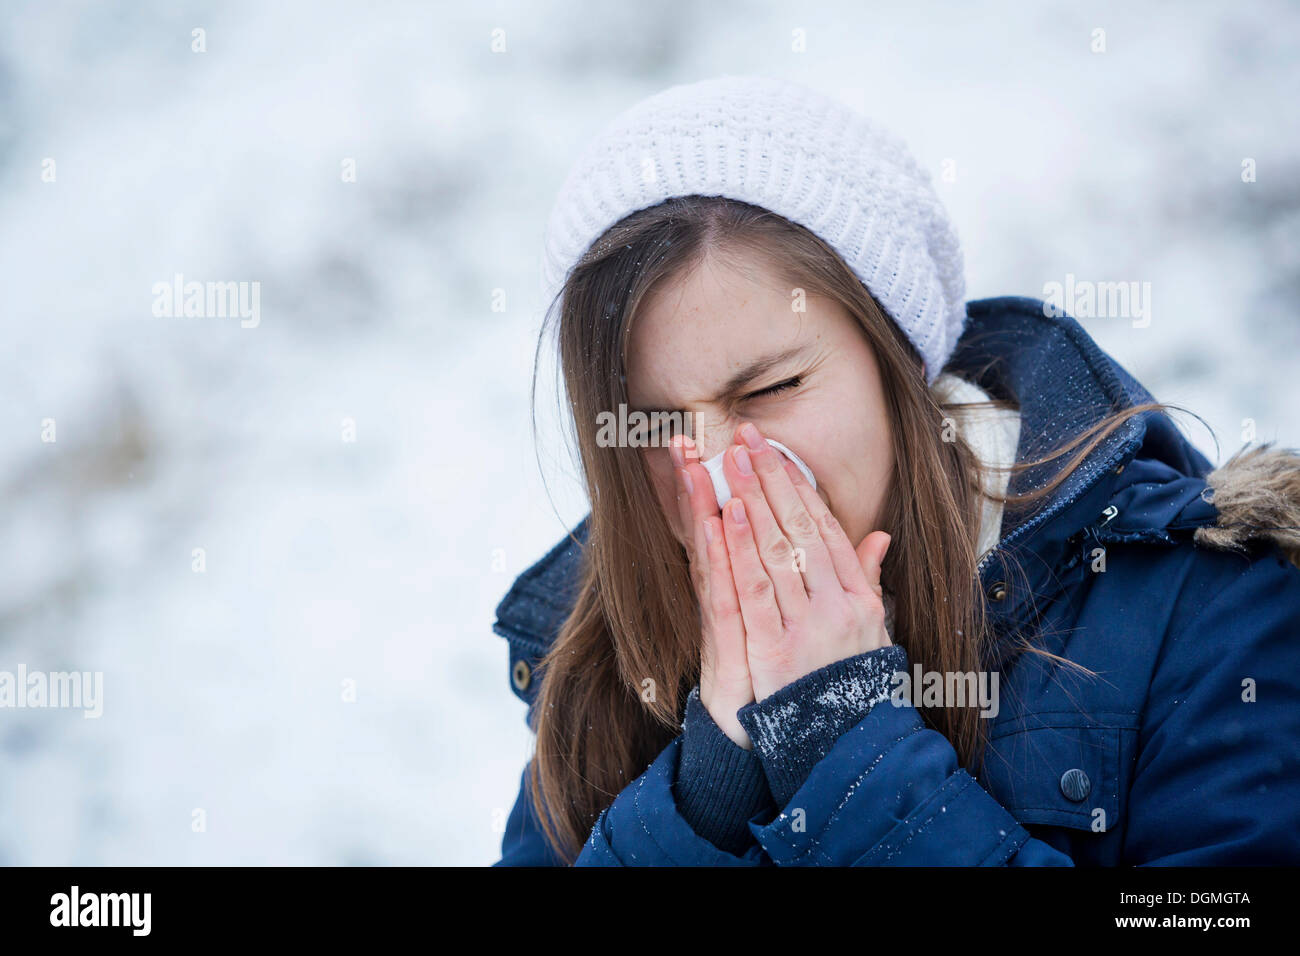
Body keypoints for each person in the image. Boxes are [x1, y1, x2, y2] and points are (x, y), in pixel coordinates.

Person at [490, 75, 1300, 866]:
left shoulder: (1208, 611)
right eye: (657, 423)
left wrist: (850, 757)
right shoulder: (593, 655)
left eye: (771, 389)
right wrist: (708, 798)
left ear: (897, 363)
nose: (716, 470)